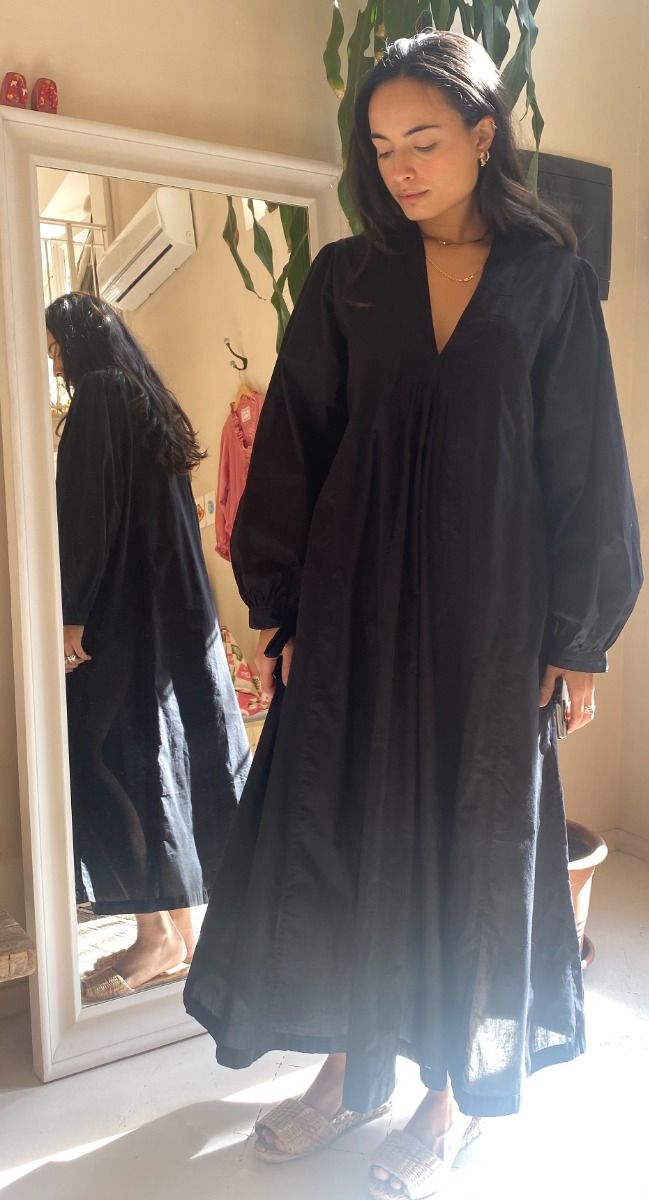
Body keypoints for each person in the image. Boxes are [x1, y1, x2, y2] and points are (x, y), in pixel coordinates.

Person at [184, 31, 642, 1198]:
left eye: (423, 141)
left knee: (470, 838)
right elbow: (295, 447)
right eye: (382, 145)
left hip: (493, 616)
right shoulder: (346, 277)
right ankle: (350, 1068)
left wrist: (579, 639)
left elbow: (584, 464)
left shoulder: (549, 283)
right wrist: (282, 608)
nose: (399, 166)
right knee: (341, 823)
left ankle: (448, 1092)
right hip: (351, 607)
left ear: (484, 137)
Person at [47, 293, 250, 1003]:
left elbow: (87, 511)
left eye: (56, 346)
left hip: (122, 616)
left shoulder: (101, 394)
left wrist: (71, 614)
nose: (54, 362)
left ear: (80, 342)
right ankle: (176, 937)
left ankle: (154, 935)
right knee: (158, 755)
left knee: (112, 760)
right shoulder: (145, 398)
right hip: (167, 613)